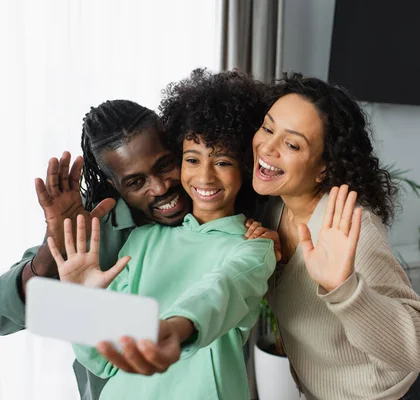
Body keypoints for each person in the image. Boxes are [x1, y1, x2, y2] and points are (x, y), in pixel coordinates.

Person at [47, 69, 277, 400]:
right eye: (192, 160)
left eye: (223, 162)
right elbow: (102, 361)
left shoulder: (254, 247)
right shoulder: (141, 242)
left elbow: (222, 291)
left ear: (244, 165)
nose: (205, 176)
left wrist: (178, 326)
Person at [251, 73, 420, 400]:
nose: (267, 147)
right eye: (268, 128)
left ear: (324, 168)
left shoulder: (353, 230)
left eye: (292, 143)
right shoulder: (273, 208)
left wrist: (344, 289)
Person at [0, 99, 193, 399]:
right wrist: (50, 252)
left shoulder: (215, 194)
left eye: (165, 165)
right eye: (135, 181)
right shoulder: (91, 227)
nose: (160, 187)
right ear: (113, 185)